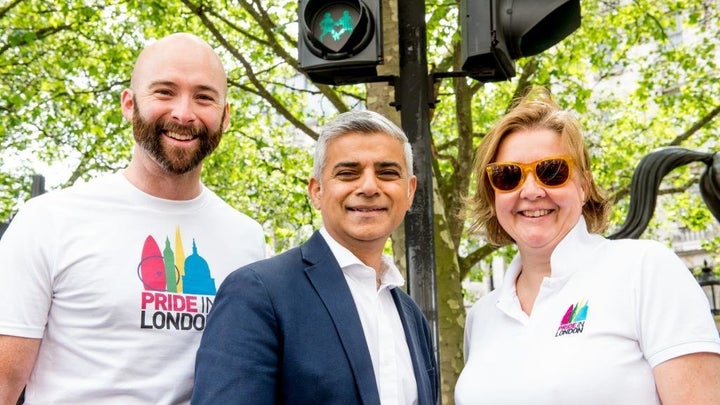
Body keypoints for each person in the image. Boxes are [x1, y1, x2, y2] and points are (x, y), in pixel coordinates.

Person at [0, 33, 266, 404]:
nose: (184, 113)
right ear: (129, 103)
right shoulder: (48, 220)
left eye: (204, 97)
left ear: (225, 115)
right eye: (164, 92)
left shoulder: (247, 239)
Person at [455, 87, 720, 404]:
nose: (530, 190)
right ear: (493, 193)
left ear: (583, 186)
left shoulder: (645, 269)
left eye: (552, 171)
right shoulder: (482, 316)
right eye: (508, 176)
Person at [192, 110, 438, 405]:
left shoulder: (412, 316)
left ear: (410, 191)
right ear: (317, 191)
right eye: (348, 173)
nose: (370, 187)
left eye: (387, 172)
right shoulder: (259, 293)